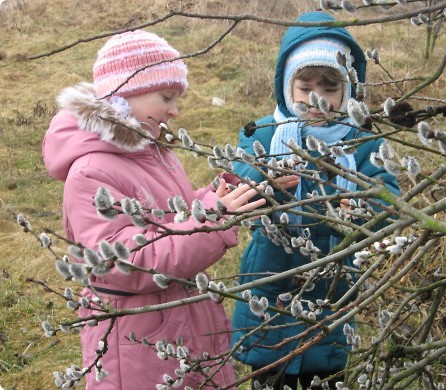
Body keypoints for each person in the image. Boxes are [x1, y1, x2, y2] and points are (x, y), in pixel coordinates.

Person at [42, 30, 265, 389]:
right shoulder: (90, 172)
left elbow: (164, 217)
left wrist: (215, 195)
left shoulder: (153, 150)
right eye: (166, 97)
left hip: (181, 318)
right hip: (136, 340)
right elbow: (130, 260)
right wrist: (213, 216)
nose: (175, 110)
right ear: (125, 94)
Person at [230, 11, 400, 389]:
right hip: (271, 277)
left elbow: (390, 204)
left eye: (329, 88)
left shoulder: (364, 142)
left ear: (348, 90)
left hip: (333, 283)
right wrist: (266, 181)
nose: (316, 99)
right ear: (287, 88)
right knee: (271, 371)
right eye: (305, 87)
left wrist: (361, 208)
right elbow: (239, 177)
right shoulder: (265, 132)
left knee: (326, 372)